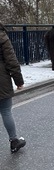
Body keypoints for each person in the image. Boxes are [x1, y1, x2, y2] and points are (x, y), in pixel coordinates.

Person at [0, 23, 26, 153]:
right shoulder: (2, 35)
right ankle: (14, 141)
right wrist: (18, 81)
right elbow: (11, 60)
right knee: (5, 111)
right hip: (1, 79)